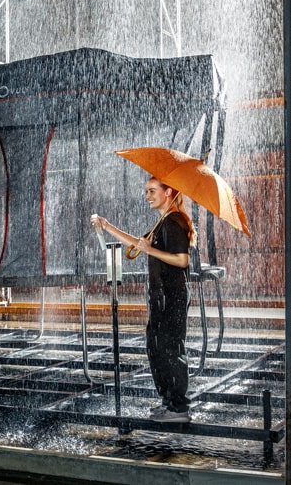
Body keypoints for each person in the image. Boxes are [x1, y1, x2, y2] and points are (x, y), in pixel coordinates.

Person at [91, 177, 194, 423]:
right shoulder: (162, 221)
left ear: (168, 192)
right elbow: (138, 245)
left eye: (152, 191)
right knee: (157, 347)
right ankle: (169, 402)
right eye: (146, 191)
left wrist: (150, 250)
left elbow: (182, 260)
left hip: (172, 295)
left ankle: (178, 408)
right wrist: (107, 226)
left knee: (170, 349)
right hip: (162, 295)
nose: (147, 195)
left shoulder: (174, 221)